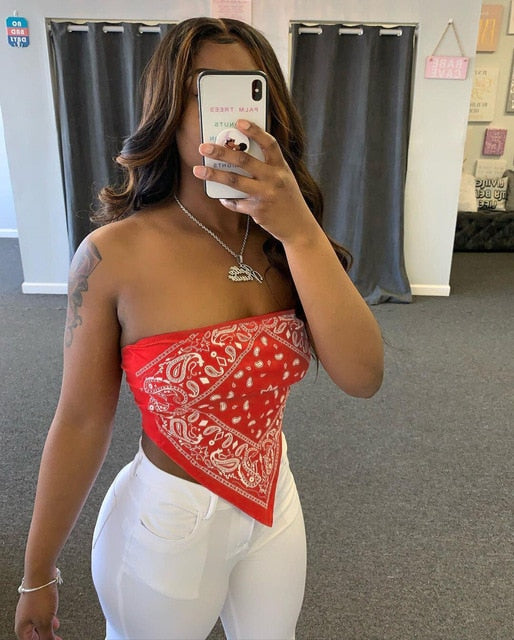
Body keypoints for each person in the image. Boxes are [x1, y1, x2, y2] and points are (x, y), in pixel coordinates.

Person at [14, 16, 383, 640]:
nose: (230, 118)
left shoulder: (286, 242)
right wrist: (36, 572)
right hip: (167, 526)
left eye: (249, 93)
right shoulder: (112, 256)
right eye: (207, 92)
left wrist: (299, 230)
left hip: (275, 502)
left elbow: (363, 376)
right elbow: (80, 420)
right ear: (167, 111)